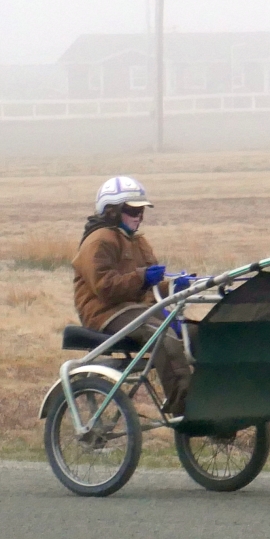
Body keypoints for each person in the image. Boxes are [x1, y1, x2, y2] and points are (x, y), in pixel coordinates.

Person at [72, 176, 191, 417]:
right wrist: (142, 277)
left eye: (141, 211)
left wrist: (174, 287)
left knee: (193, 334)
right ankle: (186, 407)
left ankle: (211, 397)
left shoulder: (139, 242)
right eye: (131, 210)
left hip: (137, 309)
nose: (138, 216)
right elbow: (104, 287)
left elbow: (150, 289)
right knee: (162, 336)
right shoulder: (99, 240)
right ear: (112, 211)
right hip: (106, 312)